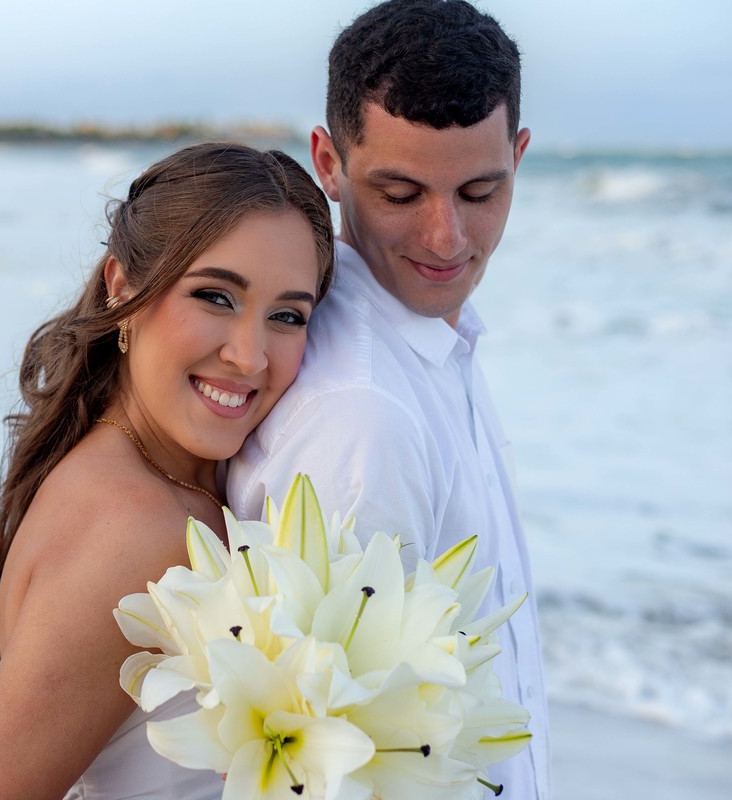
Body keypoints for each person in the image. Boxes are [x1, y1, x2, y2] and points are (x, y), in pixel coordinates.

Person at [0, 142, 334, 800]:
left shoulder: (128, 470)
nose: (249, 355)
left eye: (287, 316)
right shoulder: (140, 529)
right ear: (124, 285)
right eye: (216, 297)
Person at [227, 1, 550, 798]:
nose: (445, 237)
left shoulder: (434, 340)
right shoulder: (365, 414)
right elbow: (338, 764)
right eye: (400, 193)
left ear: (520, 156)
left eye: (480, 191)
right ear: (327, 162)